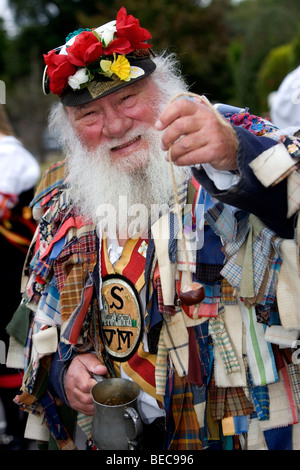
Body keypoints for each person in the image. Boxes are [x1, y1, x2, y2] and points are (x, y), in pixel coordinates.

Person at [6, 7, 300, 451]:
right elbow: (37, 326)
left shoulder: (230, 140)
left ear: (164, 88)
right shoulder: (63, 199)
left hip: (239, 433)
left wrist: (235, 153)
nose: (115, 125)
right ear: (68, 128)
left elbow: (290, 201)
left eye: (127, 99)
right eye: (89, 114)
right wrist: (65, 374)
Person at [0, 104, 40, 449]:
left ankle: (19, 430)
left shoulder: (15, 159)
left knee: (10, 350)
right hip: (10, 270)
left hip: (11, 271)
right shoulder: (17, 157)